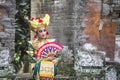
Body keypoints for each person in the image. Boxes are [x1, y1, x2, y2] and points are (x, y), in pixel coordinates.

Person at [26, 14, 63, 80]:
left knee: (51, 68)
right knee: (39, 66)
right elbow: (31, 59)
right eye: (40, 31)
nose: (43, 33)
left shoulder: (51, 42)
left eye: (44, 30)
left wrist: (56, 59)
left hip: (50, 66)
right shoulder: (32, 44)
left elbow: (60, 55)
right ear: (36, 33)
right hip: (36, 66)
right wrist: (44, 59)